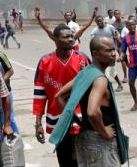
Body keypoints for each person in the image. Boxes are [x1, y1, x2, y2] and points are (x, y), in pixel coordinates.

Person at [54, 36, 125, 167]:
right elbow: (92, 112)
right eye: (108, 50)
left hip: (84, 137)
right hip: (99, 142)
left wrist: (78, 121)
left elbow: (59, 96)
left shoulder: (85, 72)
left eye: (114, 49)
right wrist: (104, 132)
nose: (114, 53)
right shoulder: (100, 79)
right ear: (95, 54)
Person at [33, 24, 91, 167]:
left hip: (80, 119)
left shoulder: (82, 59)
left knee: (82, 160)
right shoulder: (44, 62)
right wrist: (38, 123)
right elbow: (40, 94)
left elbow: (93, 90)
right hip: (57, 120)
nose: (71, 39)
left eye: (72, 36)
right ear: (55, 40)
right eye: (66, 37)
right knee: (64, 160)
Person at [89, 16, 123, 92]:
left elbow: (117, 37)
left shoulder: (110, 27)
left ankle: (105, 89)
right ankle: (119, 84)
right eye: (98, 21)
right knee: (110, 70)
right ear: (96, 23)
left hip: (111, 52)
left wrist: (119, 51)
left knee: (107, 70)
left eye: (101, 21)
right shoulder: (95, 31)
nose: (100, 23)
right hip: (102, 53)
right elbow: (92, 41)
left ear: (104, 20)